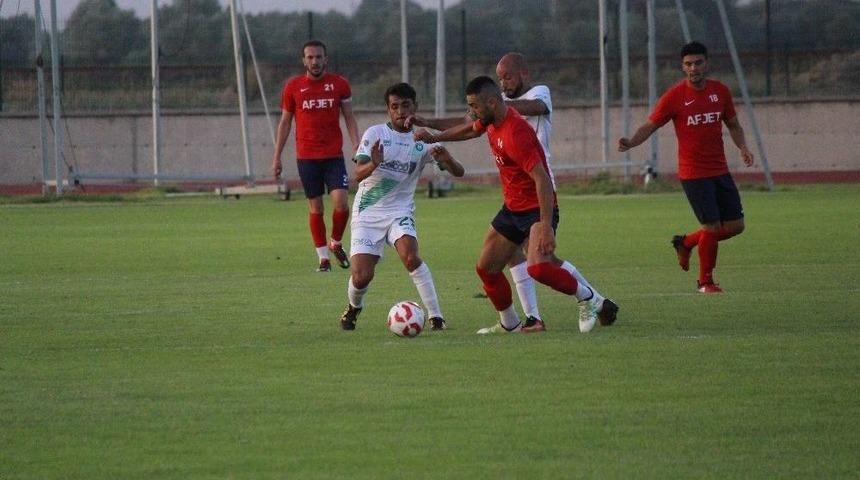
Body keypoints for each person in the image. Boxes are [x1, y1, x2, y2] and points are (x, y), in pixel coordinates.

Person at [410, 54, 618, 333]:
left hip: (536, 208)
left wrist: (546, 225)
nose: (471, 112)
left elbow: (542, 179)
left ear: (491, 103)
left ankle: (588, 298)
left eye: (474, 107)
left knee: (539, 268)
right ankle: (510, 323)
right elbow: (469, 129)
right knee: (487, 268)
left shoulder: (516, 131)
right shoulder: (491, 120)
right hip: (513, 207)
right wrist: (434, 136)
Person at [618, 41, 754, 293]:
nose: (694, 68)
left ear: (706, 63)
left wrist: (743, 147)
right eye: (688, 64)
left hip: (720, 170)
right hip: (694, 174)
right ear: (683, 67)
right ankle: (705, 282)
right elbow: (650, 125)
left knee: (736, 226)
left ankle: (687, 242)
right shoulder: (674, 96)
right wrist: (632, 142)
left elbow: (734, 125)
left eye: (698, 62)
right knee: (711, 228)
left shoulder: (720, 92)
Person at [339, 82, 465, 332]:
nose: (400, 111)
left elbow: (459, 172)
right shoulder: (375, 134)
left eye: (405, 105)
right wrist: (374, 163)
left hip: (400, 211)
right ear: (388, 110)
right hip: (368, 211)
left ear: (415, 107)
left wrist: (447, 159)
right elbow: (357, 175)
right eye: (394, 106)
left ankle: (436, 316)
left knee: (410, 256)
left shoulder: (423, 141)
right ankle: (354, 307)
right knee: (362, 275)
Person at [272, 39, 360, 272]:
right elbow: (285, 122)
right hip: (307, 157)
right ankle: (323, 259)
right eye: (310, 57)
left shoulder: (339, 84)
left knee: (341, 202)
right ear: (304, 61)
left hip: (333, 156)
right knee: (316, 207)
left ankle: (336, 242)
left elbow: (349, 117)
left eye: (319, 57)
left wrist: (357, 145)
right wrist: (277, 156)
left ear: (325, 59)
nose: (315, 61)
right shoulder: (293, 87)